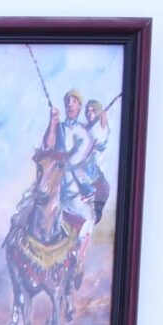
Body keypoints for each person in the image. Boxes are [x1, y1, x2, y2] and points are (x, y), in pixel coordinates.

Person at [43, 90, 112, 227]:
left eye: (74, 101)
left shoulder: (83, 131)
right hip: (52, 182)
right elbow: (47, 145)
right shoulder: (59, 126)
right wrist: (52, 122)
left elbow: (93, 146)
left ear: (79, 107)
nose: (70, 104)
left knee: (88, 218)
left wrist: (103, 124)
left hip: (71, 183)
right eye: (67, 102)